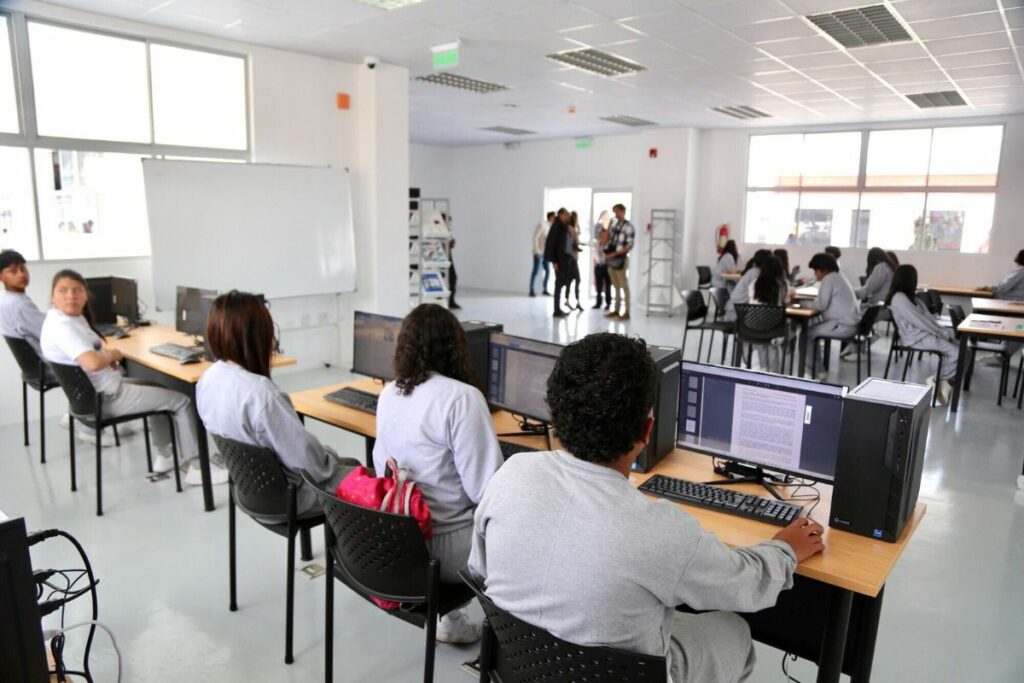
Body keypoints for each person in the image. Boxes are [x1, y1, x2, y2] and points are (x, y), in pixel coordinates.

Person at [468, 333, 824, 683]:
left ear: (556, 413)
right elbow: (746, 586)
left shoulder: (510, 475)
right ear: (647, 429)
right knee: (734, 630)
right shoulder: (662, 531)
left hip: (523, 666)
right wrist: (785, 550)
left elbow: (480, 571)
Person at [373, 303, 503, 643]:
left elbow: (380, 469)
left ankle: (450, 620)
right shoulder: (462, 398)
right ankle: (515, 644)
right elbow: (487, 491)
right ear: (455, 345)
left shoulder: (389, 392)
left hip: (401, 542)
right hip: (449, 554)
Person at [40, 270, 223, 482]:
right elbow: (91, 363)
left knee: (158, 388)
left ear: (85, 295)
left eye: (77, 290)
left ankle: (165, 457)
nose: (71, 296)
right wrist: (113, 354)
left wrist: (106, 356)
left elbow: (93, 354)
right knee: (182, 401)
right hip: (106, 397)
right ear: (52, 296)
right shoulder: (63, 327)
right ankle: (198, 470)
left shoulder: (61, 319)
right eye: (63, 291)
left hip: (98, 392)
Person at [196, 291, 358, 520]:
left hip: (250, 494)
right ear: (257, 336)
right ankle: (350, 555)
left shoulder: (207, 379)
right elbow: (313, 467)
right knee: (362, 477)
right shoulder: (261, 395)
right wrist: (332, 456)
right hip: (289, 500)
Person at [1, 251, 118, 446]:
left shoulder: (6, 298)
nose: (21, 274)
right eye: (13, 271)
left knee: (94, 356)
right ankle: (89, 423)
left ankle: (75, 414)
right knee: (98, 362)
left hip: (32, 367)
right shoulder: (18, 305)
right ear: (1, 276)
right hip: (47, 364)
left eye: (23, 268)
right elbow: (51, 331)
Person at [886, 265, 959, 404]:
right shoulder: (899, 298)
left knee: (963, 349)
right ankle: (937, 380)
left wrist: (942, 330)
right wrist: (941, 333)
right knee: (956, 353)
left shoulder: (913, 298)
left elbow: (929, 318)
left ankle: (945, 382)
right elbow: (919, 321)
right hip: (916, 338)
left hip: (924, 334)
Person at [807, 254, 861, 371]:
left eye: (815, 270)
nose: (815, 274)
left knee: (806, 335)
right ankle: (818, 370)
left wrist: (803, 304)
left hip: (842, 326)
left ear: (823, 270)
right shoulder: (839, 276)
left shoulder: (828, 279)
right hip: (848, 324)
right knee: (812, 331)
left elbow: (821, 305)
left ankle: (813, 372)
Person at [748, 256, 791, 373]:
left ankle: (763, 369)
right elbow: (786, 302)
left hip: (754, 327)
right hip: (774, 328)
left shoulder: (754, 283)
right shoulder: (783, 284)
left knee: (762, 345)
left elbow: (752, 302)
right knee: (773, 347)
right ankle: (773, 372)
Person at [604, 203, 635, 320]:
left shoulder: (629, 227)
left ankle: (627, 312)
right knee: (615, 286)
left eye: (617, 211)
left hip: (621, 259)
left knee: (624, 286)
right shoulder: (614, 226)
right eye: (614, 212)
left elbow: (629, 246)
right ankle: (616, 310)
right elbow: (607, 240)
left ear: (623, 211)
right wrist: (608, 227)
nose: (616, 214)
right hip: (611, 259)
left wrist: (614, 254)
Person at [725, 249, 771, 322]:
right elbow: (758, 296)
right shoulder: (756, 273)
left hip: (740, 309)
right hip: (737, 312)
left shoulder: (755, 271)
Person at [544, 208, 572, 318]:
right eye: (566, 215)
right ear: (561, 215)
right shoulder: (556, 226)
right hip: (559, 261)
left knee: (561, 283)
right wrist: (554, 261)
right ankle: (556, 310)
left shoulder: (562, 226)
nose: (567, 217)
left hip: (564, 259)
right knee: (558, 284)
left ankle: (558, 308)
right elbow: (551, 244)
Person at [530, 212, 554, 297]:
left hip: (546, 253)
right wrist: (537, 250)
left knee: (548, 271)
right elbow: (535, 237)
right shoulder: (542, 225)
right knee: (536, 271)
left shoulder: (550, 227)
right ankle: (531, 290)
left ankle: (545, 289)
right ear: (550, 217)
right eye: (554, 217)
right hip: (539, 253)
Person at [565, 211, 583, 311]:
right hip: (572, 259)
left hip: (573, 258)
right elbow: (572, 244)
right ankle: (573, 301)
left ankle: (573, 301)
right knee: (575, 280)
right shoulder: (570, 230)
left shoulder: (572, 229)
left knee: (572, 280)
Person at [592, 220, 612, 310]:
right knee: (598, 286)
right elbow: (595, 254)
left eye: (604, 234)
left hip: (607, 266)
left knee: (608, 285)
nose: (602, 235)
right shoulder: (597, 244)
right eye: (601, 234)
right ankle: (598, 303)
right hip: (598, 266)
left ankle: (608, 303)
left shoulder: (609, 244)